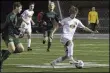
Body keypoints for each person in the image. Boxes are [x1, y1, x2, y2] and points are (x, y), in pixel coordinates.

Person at [0, 2, 24, 72]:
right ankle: (0, 62)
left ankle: (4, 52)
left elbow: (14, 28)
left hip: (12, 35)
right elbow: (6, 26)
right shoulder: (10, 16)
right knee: (12, 49)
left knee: (21, 49)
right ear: (16, 7)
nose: (21, 9)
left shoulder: (15, 16)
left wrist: (19, 33)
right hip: (7, 34)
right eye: (20, 8)